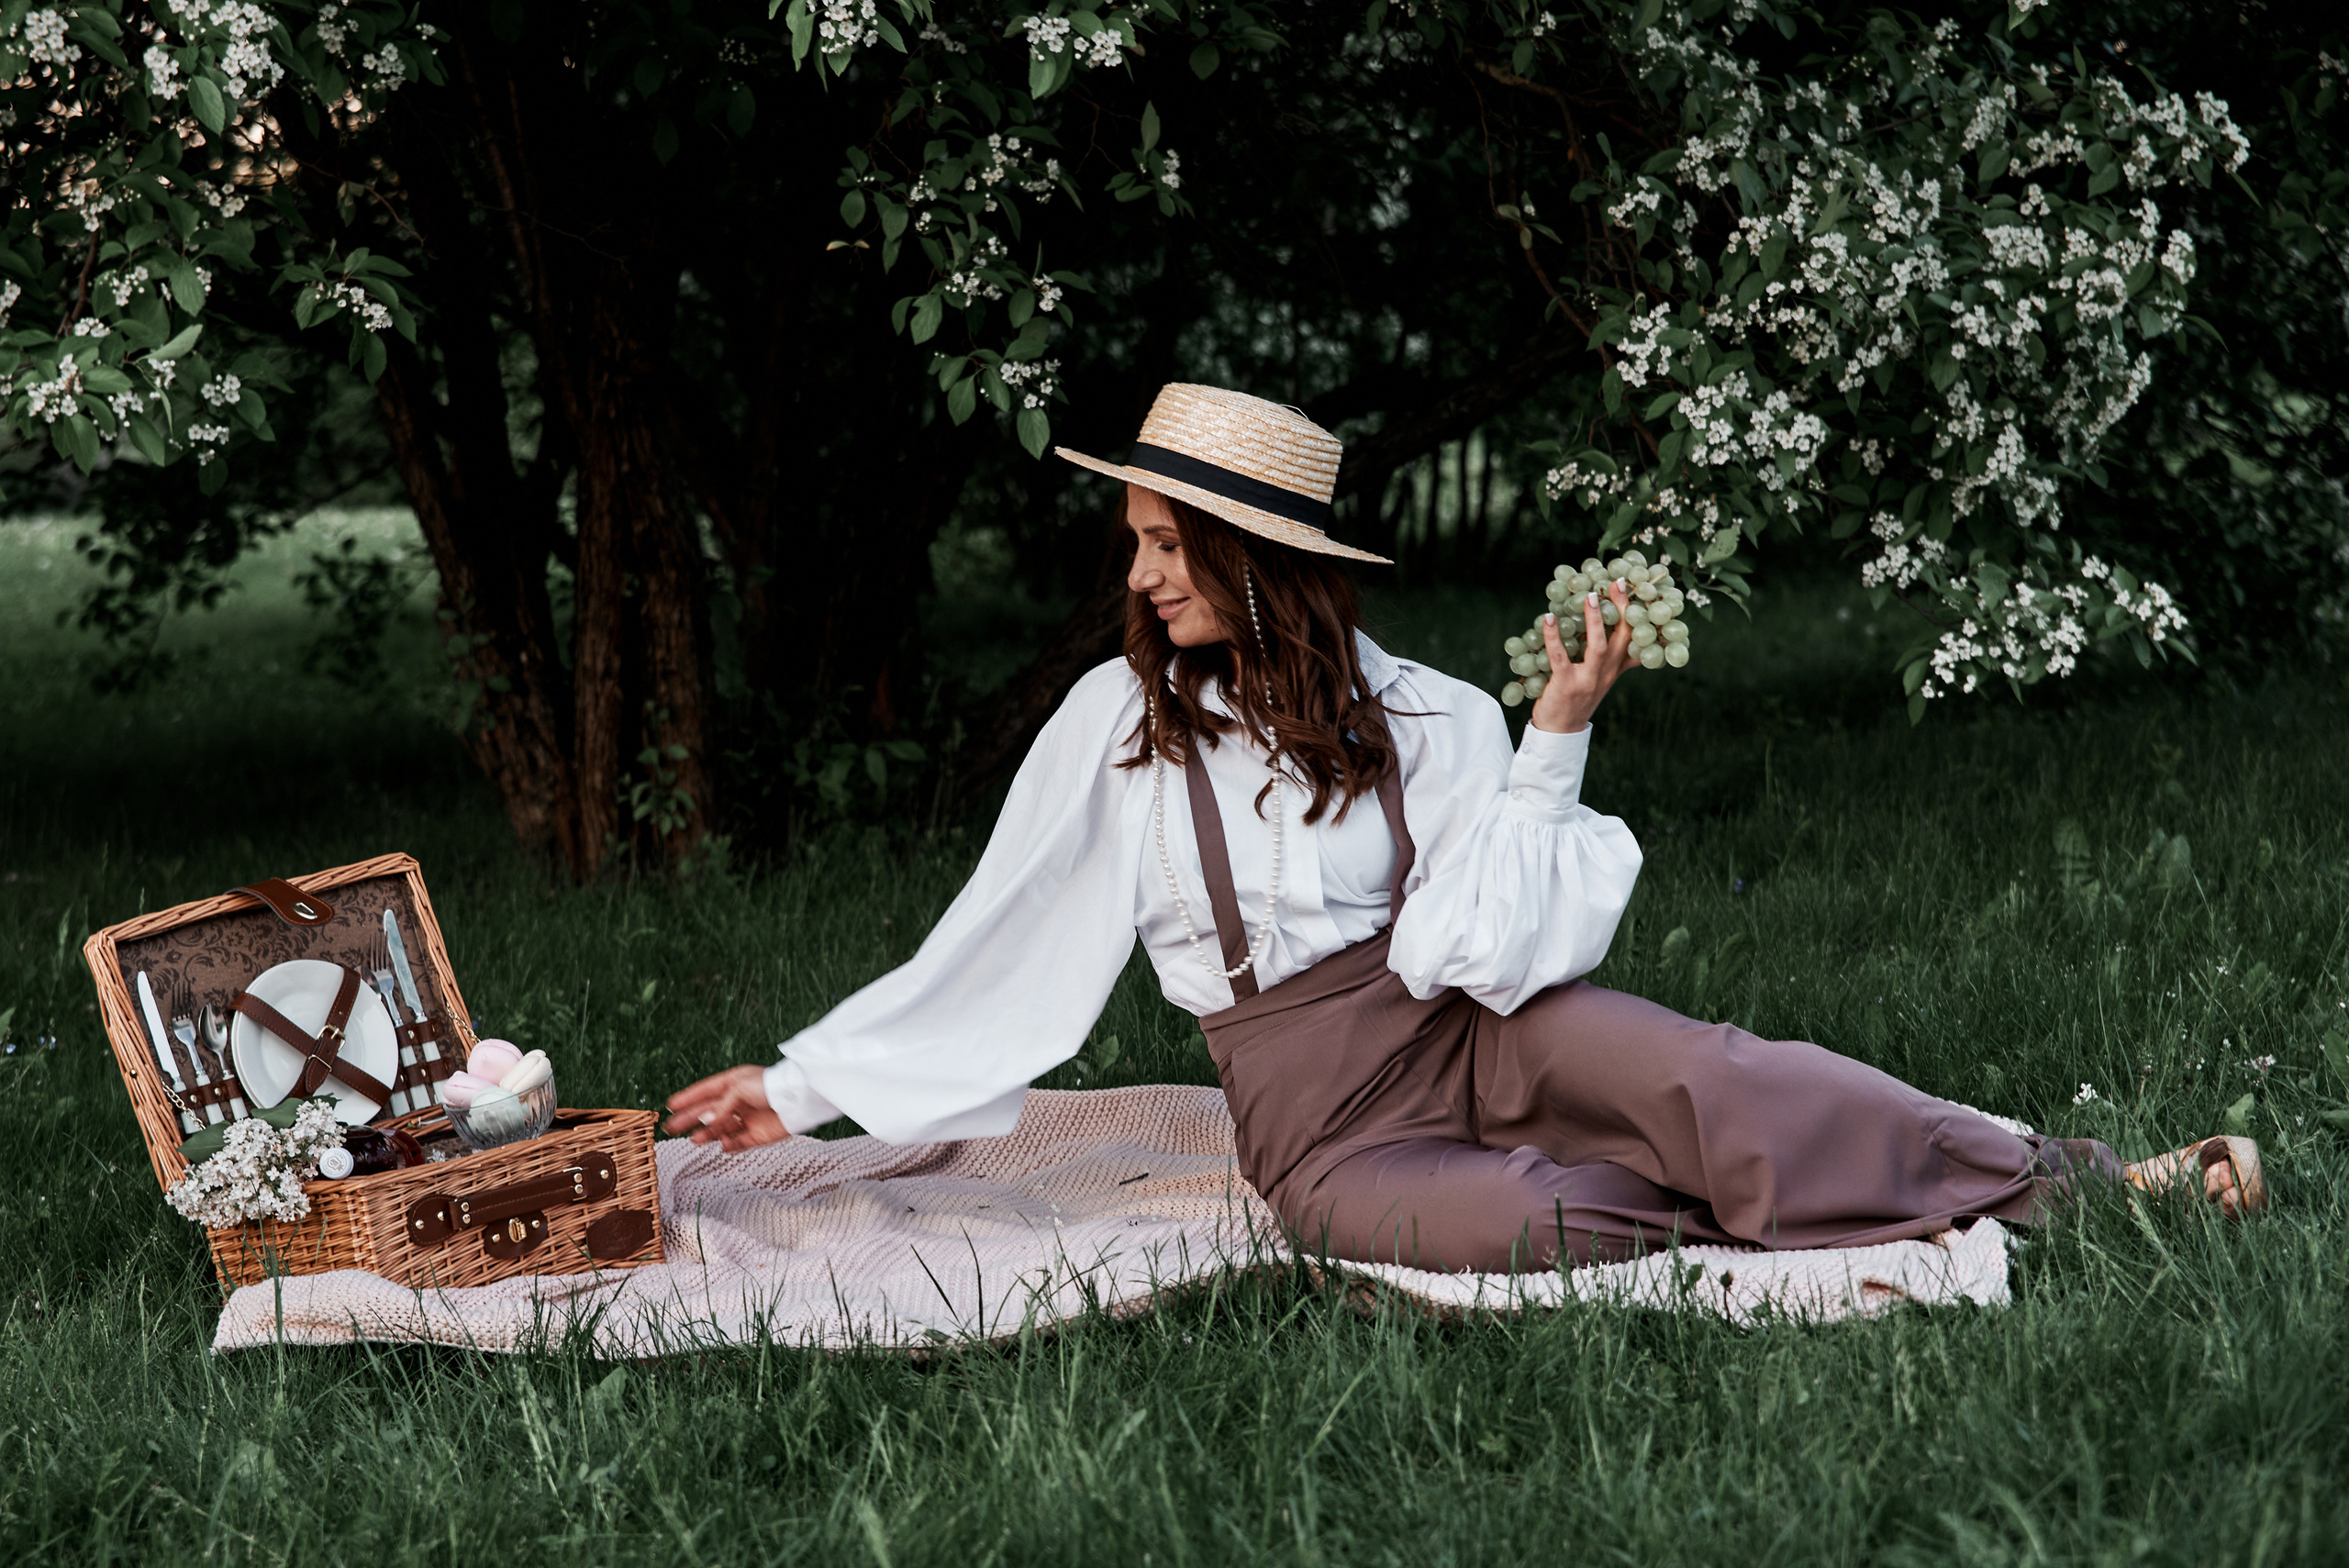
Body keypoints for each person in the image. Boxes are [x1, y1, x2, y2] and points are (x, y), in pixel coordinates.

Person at [666, 384, 2265, 1271]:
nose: (1141, 575)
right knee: (1538, 1217)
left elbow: (1466, 947)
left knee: (1709, 1073)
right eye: (1137, 542)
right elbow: (997, 947)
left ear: (1256, 557)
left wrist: (1555, 737)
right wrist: (804, 1088)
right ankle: (1807, 1204)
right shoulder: (1120, 725)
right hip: (1319, 1124)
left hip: (1478, 1027)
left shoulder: (1430, 712)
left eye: (1167, 544)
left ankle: (2083, 1180)